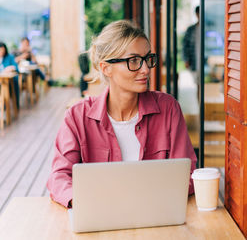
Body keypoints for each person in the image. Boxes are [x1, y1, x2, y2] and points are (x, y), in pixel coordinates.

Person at [47, 20, 197, 208]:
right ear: (105, 67)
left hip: (155, 215)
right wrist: (84, 203)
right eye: (133, 60)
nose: (146, 69)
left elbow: (188, 173)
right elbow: (59, 177)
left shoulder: (168, 109)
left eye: (147, 59)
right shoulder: (77, 117)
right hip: (99, 218)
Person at [0, 42, 20, 109]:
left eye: (2, 50)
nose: (1, 52)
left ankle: (6, 106)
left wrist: (11, 68)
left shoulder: (10, 57)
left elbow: (16, 68)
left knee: (8, 84)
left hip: (10, 80)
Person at [182, 6, 200, 72]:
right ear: (196, 14)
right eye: (198, 13)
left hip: (204, 62)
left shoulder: (207, 28)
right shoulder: (191, 30)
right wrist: (186, 60)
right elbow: (185, 45)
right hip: (193, 61)